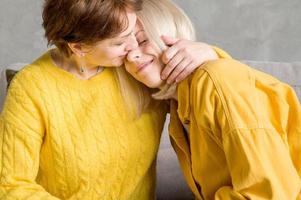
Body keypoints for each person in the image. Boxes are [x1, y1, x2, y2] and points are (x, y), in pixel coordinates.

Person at [0, 0, 221, 199]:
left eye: (133, 33)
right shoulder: (32, 87)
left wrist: (211, 56)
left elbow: (214, 101)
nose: (134, 47)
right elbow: (11, 184)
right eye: (119, 42)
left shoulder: (135, 68)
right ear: (79, 47)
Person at [124, 0, 301, 199]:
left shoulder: (215, 80)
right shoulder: (178, 105)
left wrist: (213, 56)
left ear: (171, 35)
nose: (132, 57)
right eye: (124, 50)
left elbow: (270, 194)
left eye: (142, 40)